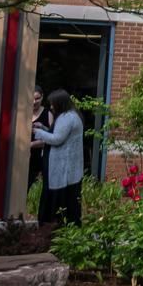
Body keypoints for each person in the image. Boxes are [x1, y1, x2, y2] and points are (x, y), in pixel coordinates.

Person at [32, 89, 85, 226]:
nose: (51, 107)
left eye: (53, 104)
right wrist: (44, 127)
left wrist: (37, 132)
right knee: (68, 198)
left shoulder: (67, 118)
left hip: (62, 168)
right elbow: (60, 133)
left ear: (60, 103)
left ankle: (50, 224)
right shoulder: (71, 116)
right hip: (66, 168)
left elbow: (57, 139)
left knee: (57, 198)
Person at [27, 86, 49, 191]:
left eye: (37, 98)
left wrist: (31, 144)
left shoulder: (47, 114)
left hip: (36, 159)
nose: (34, 101)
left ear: (42, 97)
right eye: (32, 98)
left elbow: (52, 138)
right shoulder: (23, 111)